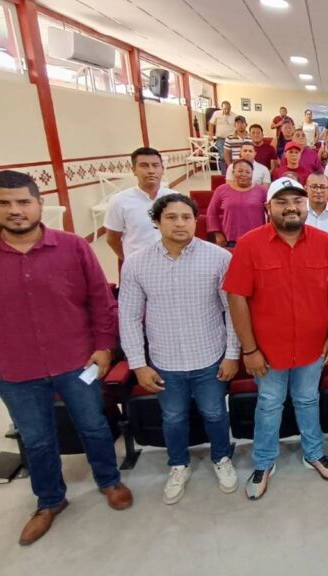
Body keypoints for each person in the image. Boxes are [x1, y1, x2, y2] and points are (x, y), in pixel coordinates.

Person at [0, 170, 131, 545]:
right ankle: (49, 501)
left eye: (23, 202)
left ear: (39, 204)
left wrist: (104, 347)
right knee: (37, 439)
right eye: (3, 203)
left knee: (93, 426)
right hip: (15, 368)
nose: (15, 210)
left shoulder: (72, 247)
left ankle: (109, 480)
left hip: (77, 362)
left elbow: (101, 300)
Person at [224, 180, 328, 500]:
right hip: (267, 351)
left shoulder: (325, 242)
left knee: (308, 400)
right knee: (268, 404)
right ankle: (264, 462)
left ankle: (314, 453)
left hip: (313, 345)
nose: (291, 207)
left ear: (306, 206)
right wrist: (249, 349)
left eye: (297, 201)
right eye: (282, 202)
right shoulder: (249, 244)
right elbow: (236, 298)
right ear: (268, 208)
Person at [119, 194, 240, 504]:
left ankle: (221, 458)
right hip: (165, 361)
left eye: (186, 217)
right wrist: (138, 364)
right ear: (156, 222)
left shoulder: (219, 258)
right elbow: (129, 317)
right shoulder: (137, 263)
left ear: (195, 221)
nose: (180, 223)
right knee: (173, 417)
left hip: (209, 356)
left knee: (215, 413)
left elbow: (233, 311)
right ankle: (178, 465)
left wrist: (232, 354)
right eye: (171, 217)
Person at [105, 147, 176, 261]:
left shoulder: (176, 198)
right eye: (144, 166)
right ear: (134, 170)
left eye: (155, 165)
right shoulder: (119, 201)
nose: (151, 170)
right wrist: (130, 261)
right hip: (138, 264)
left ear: (162, 169)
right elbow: (112, 239)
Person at [209, 159, 267, 246]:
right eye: (240, 171)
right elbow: (212, 212)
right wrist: (217, 233)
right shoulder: (221, 190)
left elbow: (271, 213)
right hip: (230, 239)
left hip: (256, 239)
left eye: (248, 172)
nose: (244, 174)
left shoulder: (262, 191)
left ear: (252, 174)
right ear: (233, 172)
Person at [209, 101, 235, 174]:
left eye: (228, 109)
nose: (227, 110)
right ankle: (224, 174)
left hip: (232, 140)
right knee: (223, 157)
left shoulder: (234, 116)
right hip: (221, 139)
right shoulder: (216, 114)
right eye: (225, 109)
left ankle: (232, 173)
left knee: (232, 157)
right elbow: (211, 124)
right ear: (222, 108)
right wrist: (211, 135)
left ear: (230, 108)